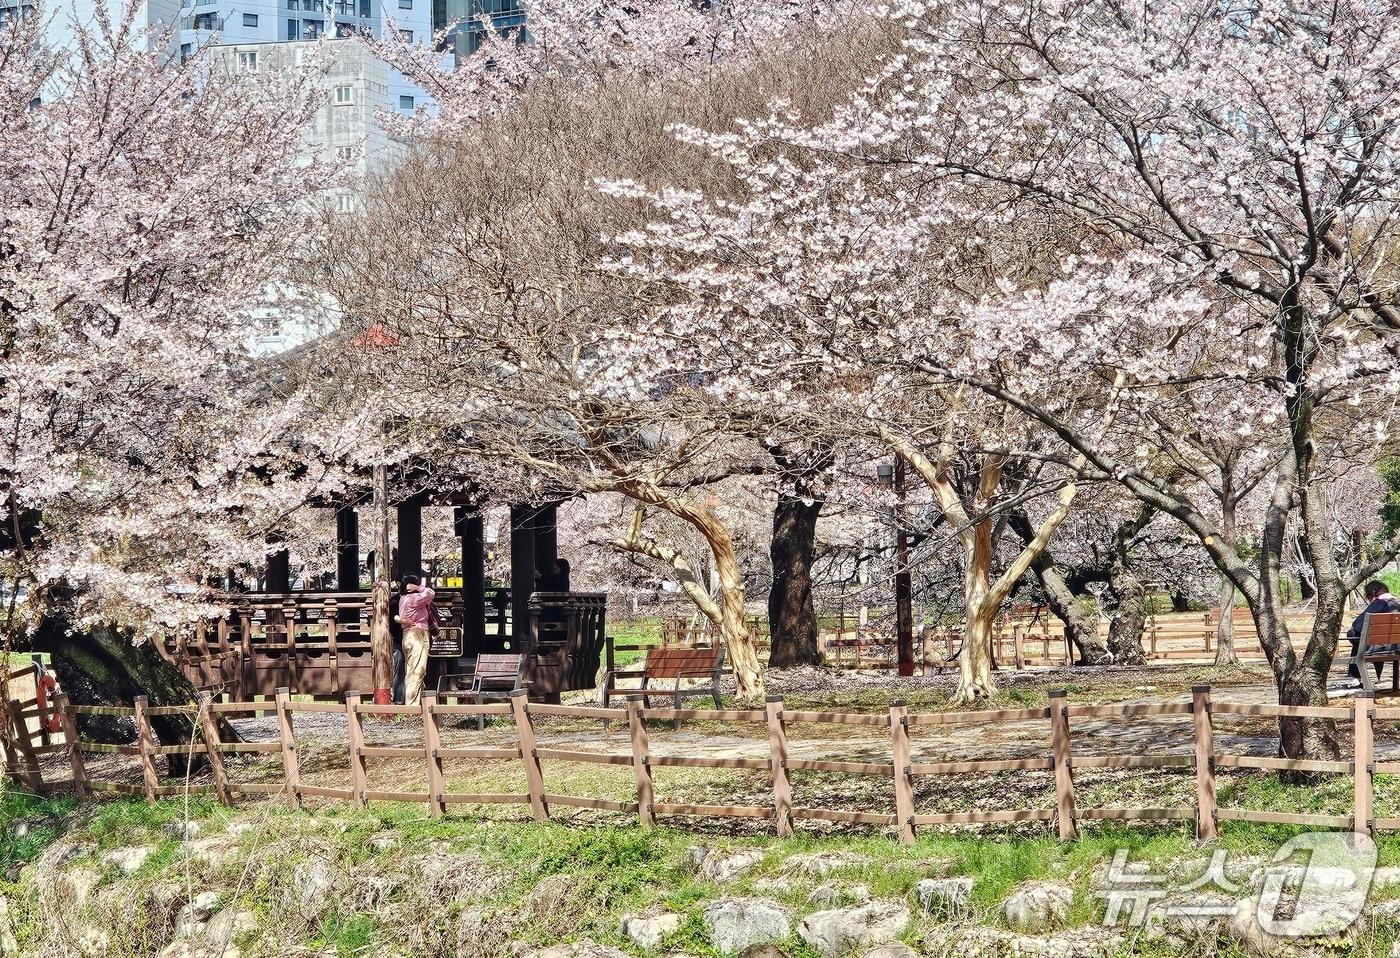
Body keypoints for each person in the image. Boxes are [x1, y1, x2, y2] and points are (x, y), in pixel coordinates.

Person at [1346, 580, 1400, 681]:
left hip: (1377, 648)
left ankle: (1355, 678)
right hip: (1395, 647)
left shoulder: (1379, 603)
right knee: (1360, 639)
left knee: (1354, 635)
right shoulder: (1397, 604)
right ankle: (1359, 677)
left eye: (1369, 596)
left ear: (1374, 593)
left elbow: (1358, 625)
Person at [395, 574, 435, 706]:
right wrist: (419, 587)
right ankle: (412, 706)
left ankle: (416, 703)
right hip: (418, 634)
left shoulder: (403, 598)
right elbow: (430, 593)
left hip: (407, 636)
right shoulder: (414, 598)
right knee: (418, 671)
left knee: (411, 670)